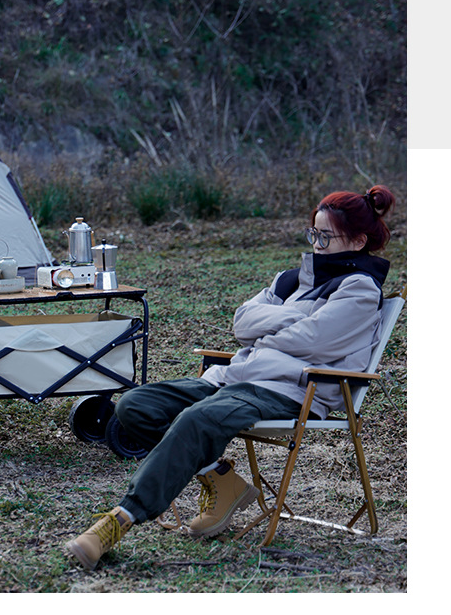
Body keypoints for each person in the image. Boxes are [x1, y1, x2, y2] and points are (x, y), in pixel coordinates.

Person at [65, 185, 395, 571]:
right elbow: (243, 323)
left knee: (197, 419)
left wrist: (271, 331)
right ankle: (222, 480)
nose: (318, 245)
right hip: (237, 376)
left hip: (292, 390)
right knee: (136, 406)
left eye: (327, 237)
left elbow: (314, 342)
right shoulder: (291, 281)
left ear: (358, 240)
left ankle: (118, 520)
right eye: (314, 234)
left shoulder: (359, 288)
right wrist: (295, 319)